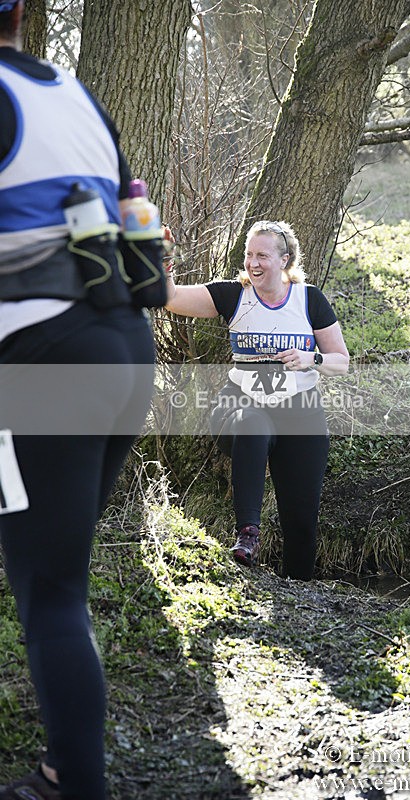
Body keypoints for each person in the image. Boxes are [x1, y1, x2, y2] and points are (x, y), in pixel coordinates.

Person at [0, 3, 156, 798]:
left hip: (43, 359)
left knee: (50, 591)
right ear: (23, 13)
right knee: (58, 580)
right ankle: (69, 764)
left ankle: (76, 784)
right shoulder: (71, 89)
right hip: (124, 349)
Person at [165, 219, 350, 580]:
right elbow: (169, 299)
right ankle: (248, 533)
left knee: (301, 519)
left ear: (285, 260)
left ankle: (300, 592)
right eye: (249, 254)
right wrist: (164, 264)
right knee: (252, 422)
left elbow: (341, 361)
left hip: (299, 409)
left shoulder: (309, 300)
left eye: (262, 255)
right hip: (239, 405)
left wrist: (310, 358)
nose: (253, 262)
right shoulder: (234, 295)